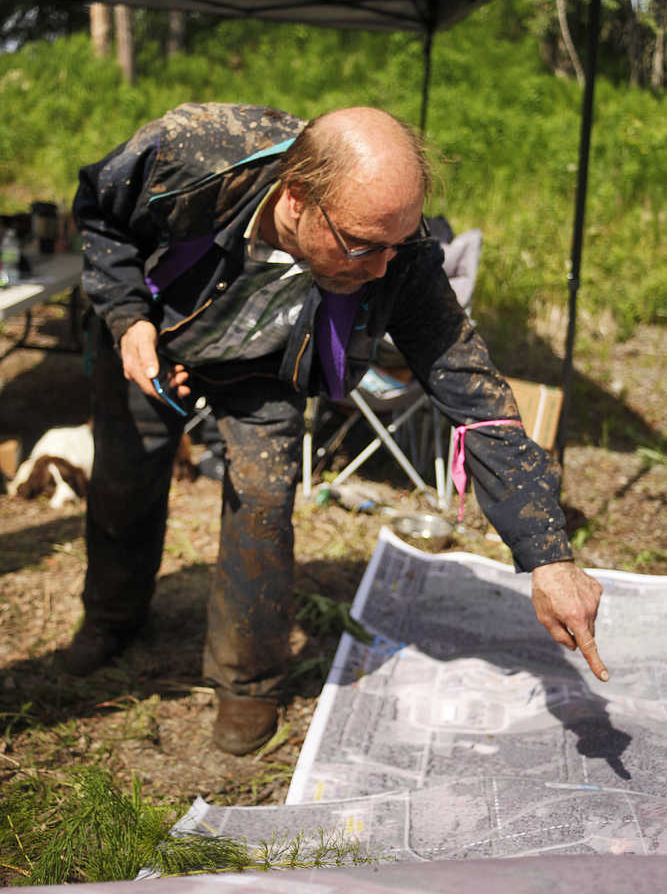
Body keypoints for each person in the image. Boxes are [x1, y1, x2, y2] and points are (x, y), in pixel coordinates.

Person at [67, 103, 608, 755]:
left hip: (262, 361)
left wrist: (548, 555)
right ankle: (111, 619)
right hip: (153, 332)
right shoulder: (195, 151)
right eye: (362, 245)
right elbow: (99, 213)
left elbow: (471, 388)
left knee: (264, 499)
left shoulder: (394, 251)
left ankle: (247, 681)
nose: (382, 267)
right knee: (126, 479)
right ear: (295, 200)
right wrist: (128, 319)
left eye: (395, 245)